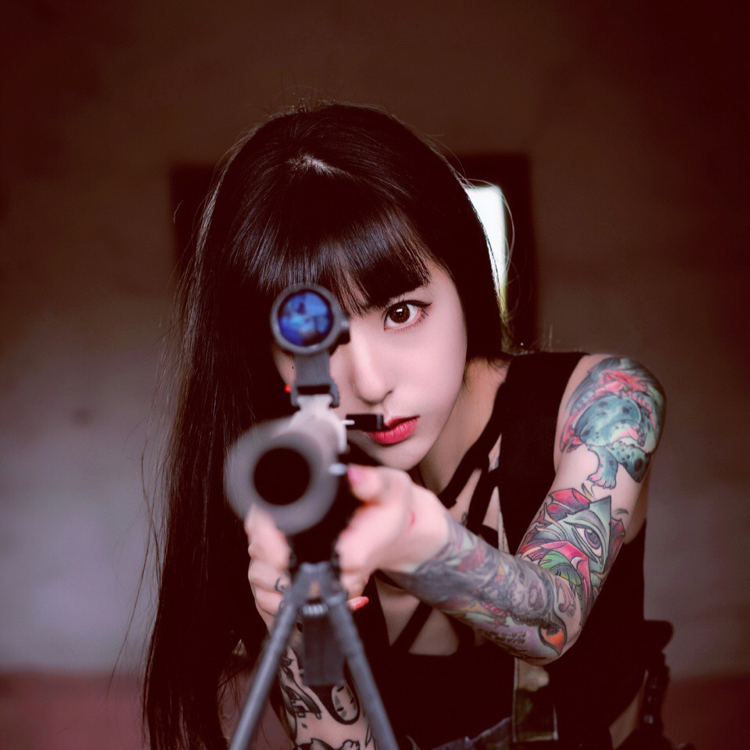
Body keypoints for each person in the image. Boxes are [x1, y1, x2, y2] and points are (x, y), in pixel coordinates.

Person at [143, 102, 668, 750]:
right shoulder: (283, 495)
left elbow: (553, 617)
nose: (369, 382)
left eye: (400, 312)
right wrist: (301, 630)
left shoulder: (606, 403)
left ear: (462, 276)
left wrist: (424, 545)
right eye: (316, 341)